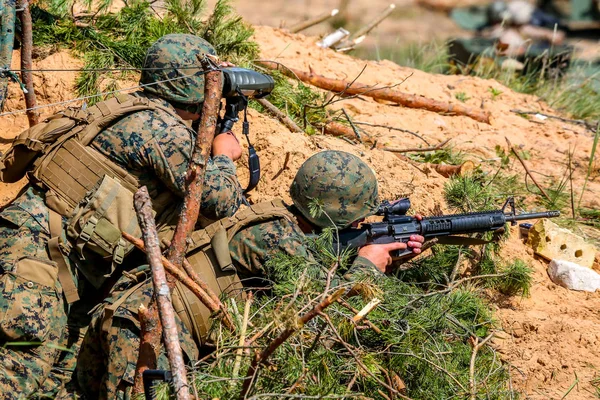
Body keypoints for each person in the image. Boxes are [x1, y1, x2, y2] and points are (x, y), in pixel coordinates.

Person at [0, 33, 245, 398]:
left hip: (52, 259)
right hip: (39, 260)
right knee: (17, 372)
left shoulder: (126, 107)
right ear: (197, 85)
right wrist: (224, 154)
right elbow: (219, 200)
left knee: (57, 383)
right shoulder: (158, 129)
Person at [73, 150, 426, 400]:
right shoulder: (279, 239)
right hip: (148, 331)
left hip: (133, 313)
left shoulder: (277, 220)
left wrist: (385, 258)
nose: (362, 225)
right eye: (357, 221)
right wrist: (367, 267)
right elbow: (314, 329)